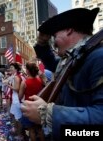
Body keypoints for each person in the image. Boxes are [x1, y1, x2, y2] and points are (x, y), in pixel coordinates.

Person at [20, 8, 103, 140]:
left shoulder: (98, 57)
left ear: (69, 30)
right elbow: (50, 61)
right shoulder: (71, 59)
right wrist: (42, 43)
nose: (54, 41)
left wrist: (49, 114)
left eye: (54, 36)